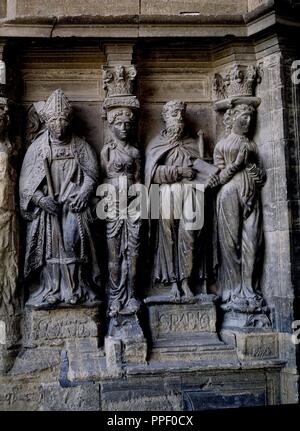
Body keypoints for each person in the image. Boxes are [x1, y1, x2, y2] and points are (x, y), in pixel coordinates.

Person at [19, 89, 100, 307]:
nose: (59, 126)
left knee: (72, 242)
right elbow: (26, 184)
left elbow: (92, 174)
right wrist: (40, 199)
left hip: (73, 205)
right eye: (54, 122)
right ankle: (51, 289)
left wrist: (83, 193)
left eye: (63, 121)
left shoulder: (80, 146)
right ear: (47, 122)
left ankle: (76, 288)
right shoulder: (37, 148)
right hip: (48, 208)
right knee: (49, 248)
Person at [145, 100, 219, 300]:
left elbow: (203, 170)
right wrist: (178, 171)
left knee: (189, 235)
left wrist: (206, 173)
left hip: (191, 194)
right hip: (165, 195)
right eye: (174, 115)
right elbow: (151, 174)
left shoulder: (193, 144)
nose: (179, 119)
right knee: (169, 237)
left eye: (180, 115)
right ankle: (173, 282)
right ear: (166, 118)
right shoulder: (156, 145)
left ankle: (187, 279)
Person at [213, 103, 266, 313]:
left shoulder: (252, 146)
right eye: (243, 117)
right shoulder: (222, 145)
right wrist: (236, 164)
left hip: (252, 194)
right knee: (230, 243)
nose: (248, 122)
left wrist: (250, 165)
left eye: (250, 118)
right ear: (232, 118)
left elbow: (261, 177)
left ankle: (250, 289)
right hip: (229, 193)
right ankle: (234, 290)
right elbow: (217, 178)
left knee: (253, 243)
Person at [101, 106, 141, 317]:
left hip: (133, 206)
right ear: (111, 126)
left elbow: (140, 178)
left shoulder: (135, 152)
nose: (124, 128)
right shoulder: (107, 152)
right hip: (113, 206)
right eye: (119, 124)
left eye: (127, 124)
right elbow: (101, 178)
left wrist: (136, 190)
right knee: (114, 254)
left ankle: (131, 294)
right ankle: (116, 297)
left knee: (133, 254)